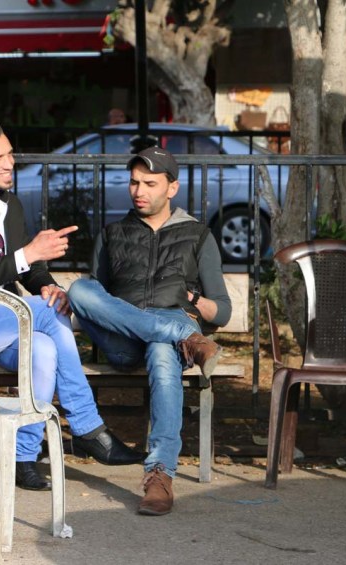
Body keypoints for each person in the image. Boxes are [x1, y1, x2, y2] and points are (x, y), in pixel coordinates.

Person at [0, 118, 145, 491]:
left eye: (10, 154)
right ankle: (87, 426)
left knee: (45, 349)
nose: (9, 164)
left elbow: (28, 269)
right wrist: (28, 254)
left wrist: (48, 286)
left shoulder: (9, 206)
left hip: (2, 323)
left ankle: (22, 457)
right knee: (48, 315)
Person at [67, 146, 231, 516]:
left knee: (161, 350)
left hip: (169, 336)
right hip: (123, 341)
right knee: (79, 290)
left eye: (150, 183)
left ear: (171, 188)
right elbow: (97, 295)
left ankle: (160, 475)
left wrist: (191, 298)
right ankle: (183, 337)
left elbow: (222, 309)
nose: (139, 190)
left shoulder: (198, 235)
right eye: (134, 182)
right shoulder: (113, 233)